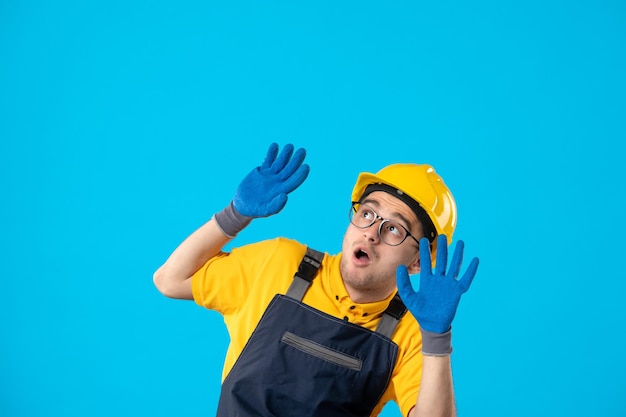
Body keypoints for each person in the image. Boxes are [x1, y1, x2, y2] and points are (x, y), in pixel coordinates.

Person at [153, 143, 479, 417]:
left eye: (394, 228)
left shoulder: (410, 333)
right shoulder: (279, 264)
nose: (371, 233)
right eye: (367, 213)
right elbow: (170, 280)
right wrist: (235, 215)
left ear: (418, 261)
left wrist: (437, 339)